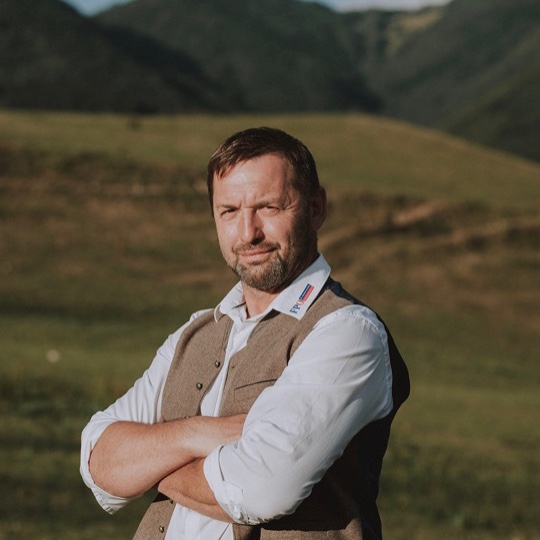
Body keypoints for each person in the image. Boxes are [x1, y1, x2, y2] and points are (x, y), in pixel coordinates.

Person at [80, 127, 410, 540]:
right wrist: (202, 434)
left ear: (316, 209)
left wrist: (148, 465)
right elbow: (97, 460)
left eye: (268, 207)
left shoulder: (348, 332)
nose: (248, 232)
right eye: (229, 211)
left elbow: (260, 489)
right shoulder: (195, 333)